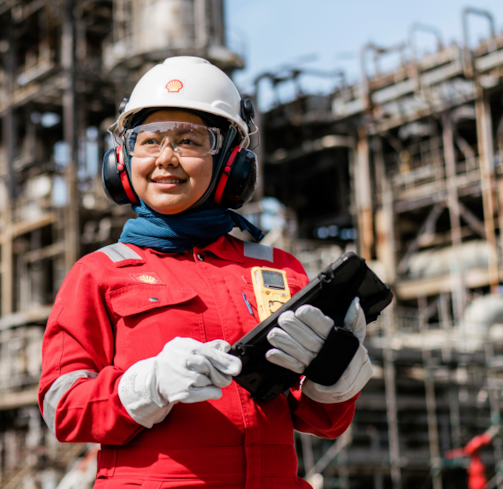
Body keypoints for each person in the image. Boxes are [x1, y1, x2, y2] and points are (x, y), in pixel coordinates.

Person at [38, 57, 373, 488]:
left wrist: (334, 375)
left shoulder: (277, 269)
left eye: (190, 141)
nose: (166, 158)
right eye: (148, 140)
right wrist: (148, 385)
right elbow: (62, 409)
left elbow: (319, 421)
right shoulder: (100, 273)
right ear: (122, 159)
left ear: (232, 160)